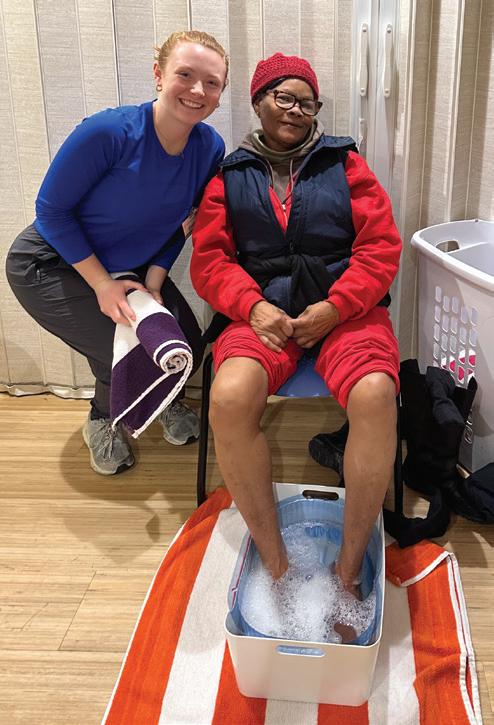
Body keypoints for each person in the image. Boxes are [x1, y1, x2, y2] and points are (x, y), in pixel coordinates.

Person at [190, 52, 401, 616]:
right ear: (258, 102)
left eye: (307, 102)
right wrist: (252, 306)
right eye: (283, 97)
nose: (295, 110)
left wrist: (337, 306)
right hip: (264, 318)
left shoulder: (346, 165)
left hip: (344, 313)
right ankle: (277, 565)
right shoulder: (229, 176)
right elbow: (210, 262)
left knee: (376, 393)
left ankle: (348, 570)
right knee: (229, 397)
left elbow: (380, 248)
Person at [6, 30, 228, 476]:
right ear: (158, 75)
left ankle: (161, 401)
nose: (198, 90)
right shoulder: (107, 132)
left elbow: (182, 222)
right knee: (122, 345)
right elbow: (51, 212)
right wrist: (102, 285)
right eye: (185, 75)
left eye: (212, 82)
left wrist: (154, 282)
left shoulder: (209, 148)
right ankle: (103, 422)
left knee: (187, 341)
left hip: (130, 267)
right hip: (52, 263)